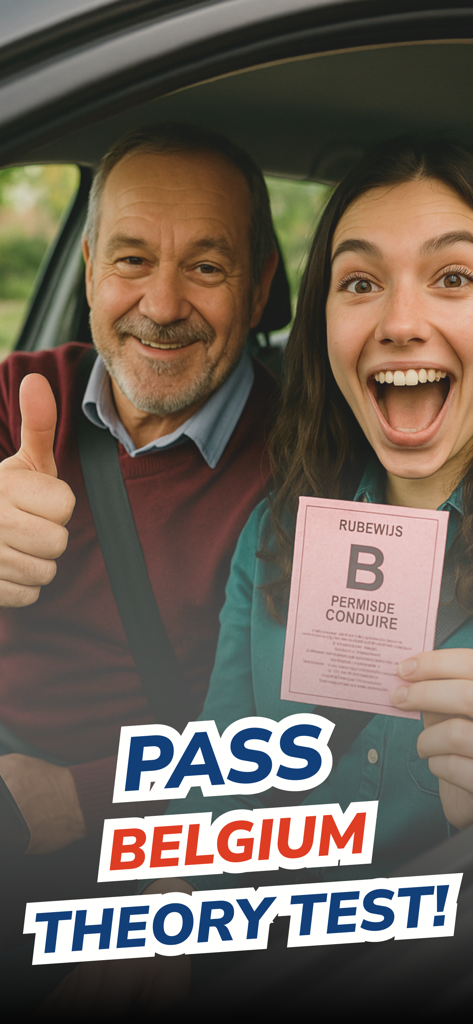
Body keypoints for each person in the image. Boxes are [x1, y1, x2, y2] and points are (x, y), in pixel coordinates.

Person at [43, 134, 473, 1016]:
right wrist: (152, 913)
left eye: (453, 279)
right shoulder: (277, 528)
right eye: (359, 283)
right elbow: (209, 785)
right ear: (321, 316)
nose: (398, 321)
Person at [0, 121, 280, 952]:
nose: (161, 307)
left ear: (260, 286)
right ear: (87, 269)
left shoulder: (314, 461)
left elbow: (315, 744)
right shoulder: (19, 396)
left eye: (205, 266)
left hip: (145, 862)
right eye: (130, 260)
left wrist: (78, 800)